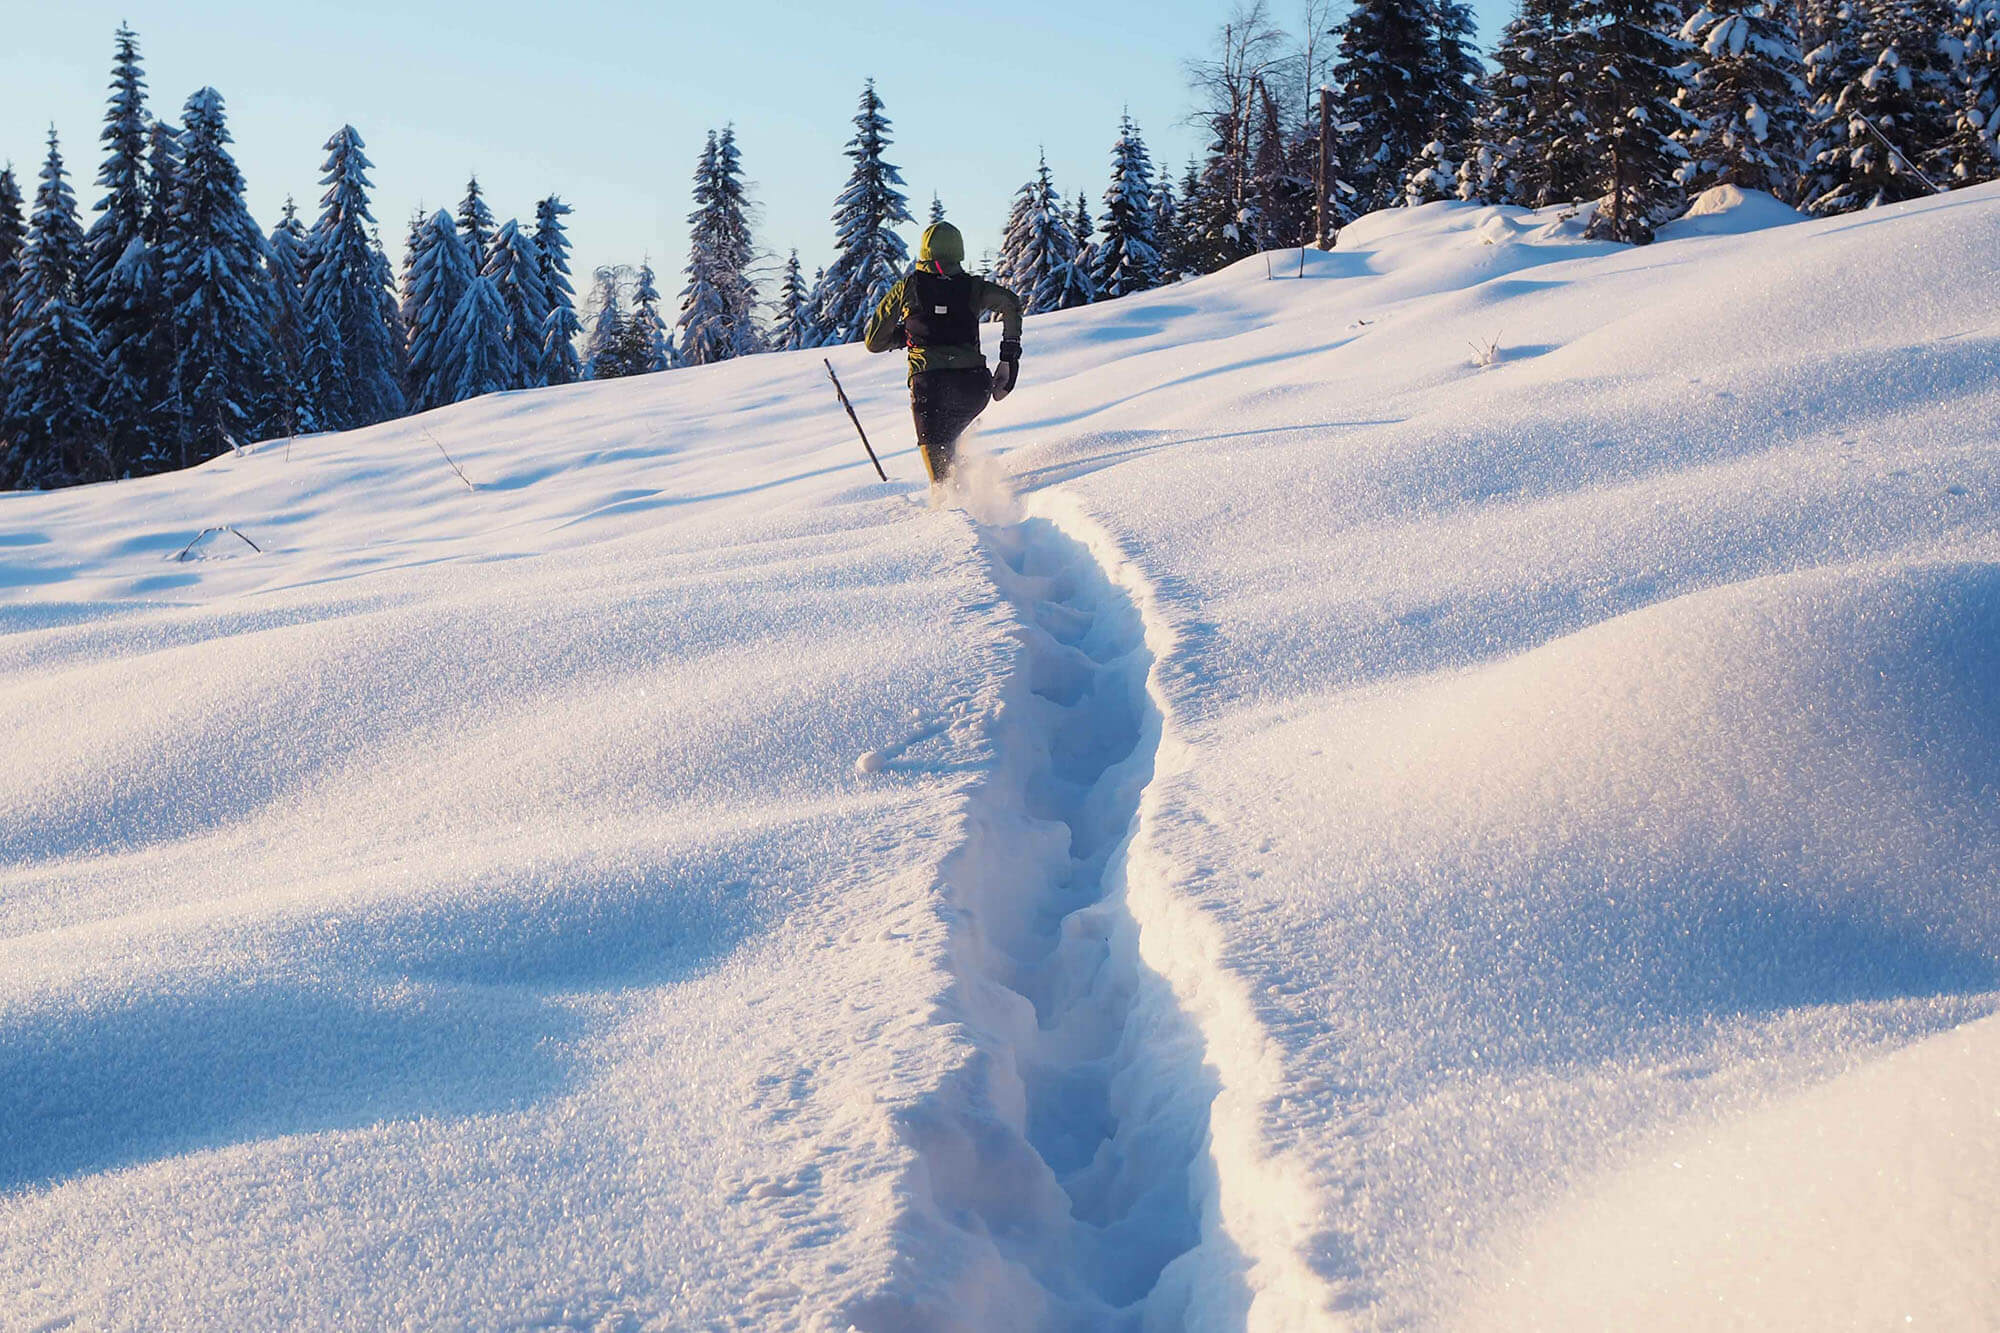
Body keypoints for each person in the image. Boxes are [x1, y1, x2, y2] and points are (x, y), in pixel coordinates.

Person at [863, 221, 1024, 486]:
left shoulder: (908, 287)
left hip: (931, 387)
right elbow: (1010, 303)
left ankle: (959, 505)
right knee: (952, 450)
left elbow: (874, 342)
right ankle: (981, 491)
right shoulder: (973, 288)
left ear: (924, 251)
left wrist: (908, 334)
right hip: (974, 386)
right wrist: (1009, 358)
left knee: (942, 483)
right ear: (959, 251)